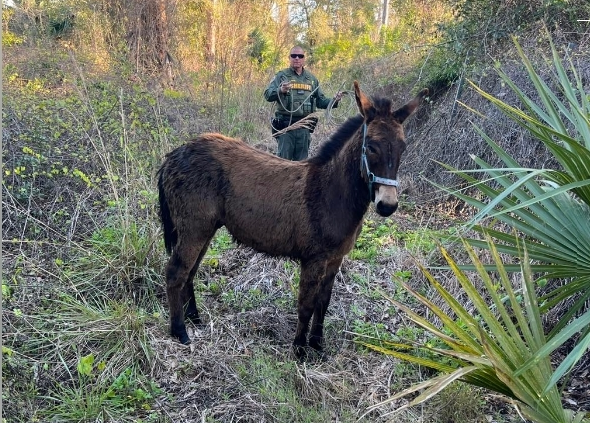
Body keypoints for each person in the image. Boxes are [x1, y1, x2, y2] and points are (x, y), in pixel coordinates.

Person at [264, 46, 343, 161]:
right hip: (286, 128)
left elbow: (320, 101)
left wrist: (335, 100)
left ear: (304, 59)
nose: (297, 58)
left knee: (301, 165)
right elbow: (267, 94)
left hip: (304, 129)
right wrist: (280, 90)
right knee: (283, 164)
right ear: (289, 58)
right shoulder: (282, 76)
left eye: (300, 56)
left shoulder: (311, 79)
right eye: (294, 56)